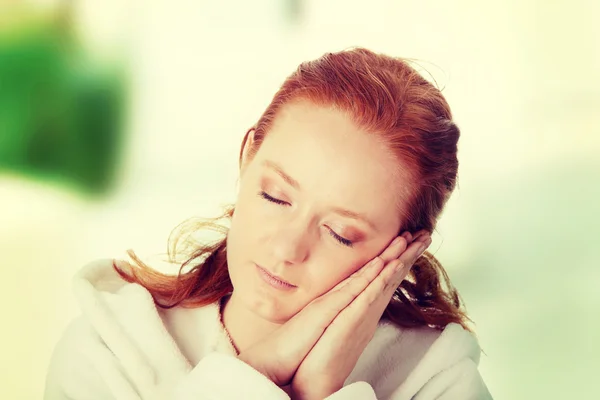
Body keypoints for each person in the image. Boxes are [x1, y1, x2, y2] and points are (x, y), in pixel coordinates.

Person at [44, 47, 493, 399]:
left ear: (403, 249)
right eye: (275, 196)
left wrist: (323, 391)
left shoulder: (435, 381)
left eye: (340, 233)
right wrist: (265, 374)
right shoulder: (109, 351)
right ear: (246, 159)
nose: (287, 248)